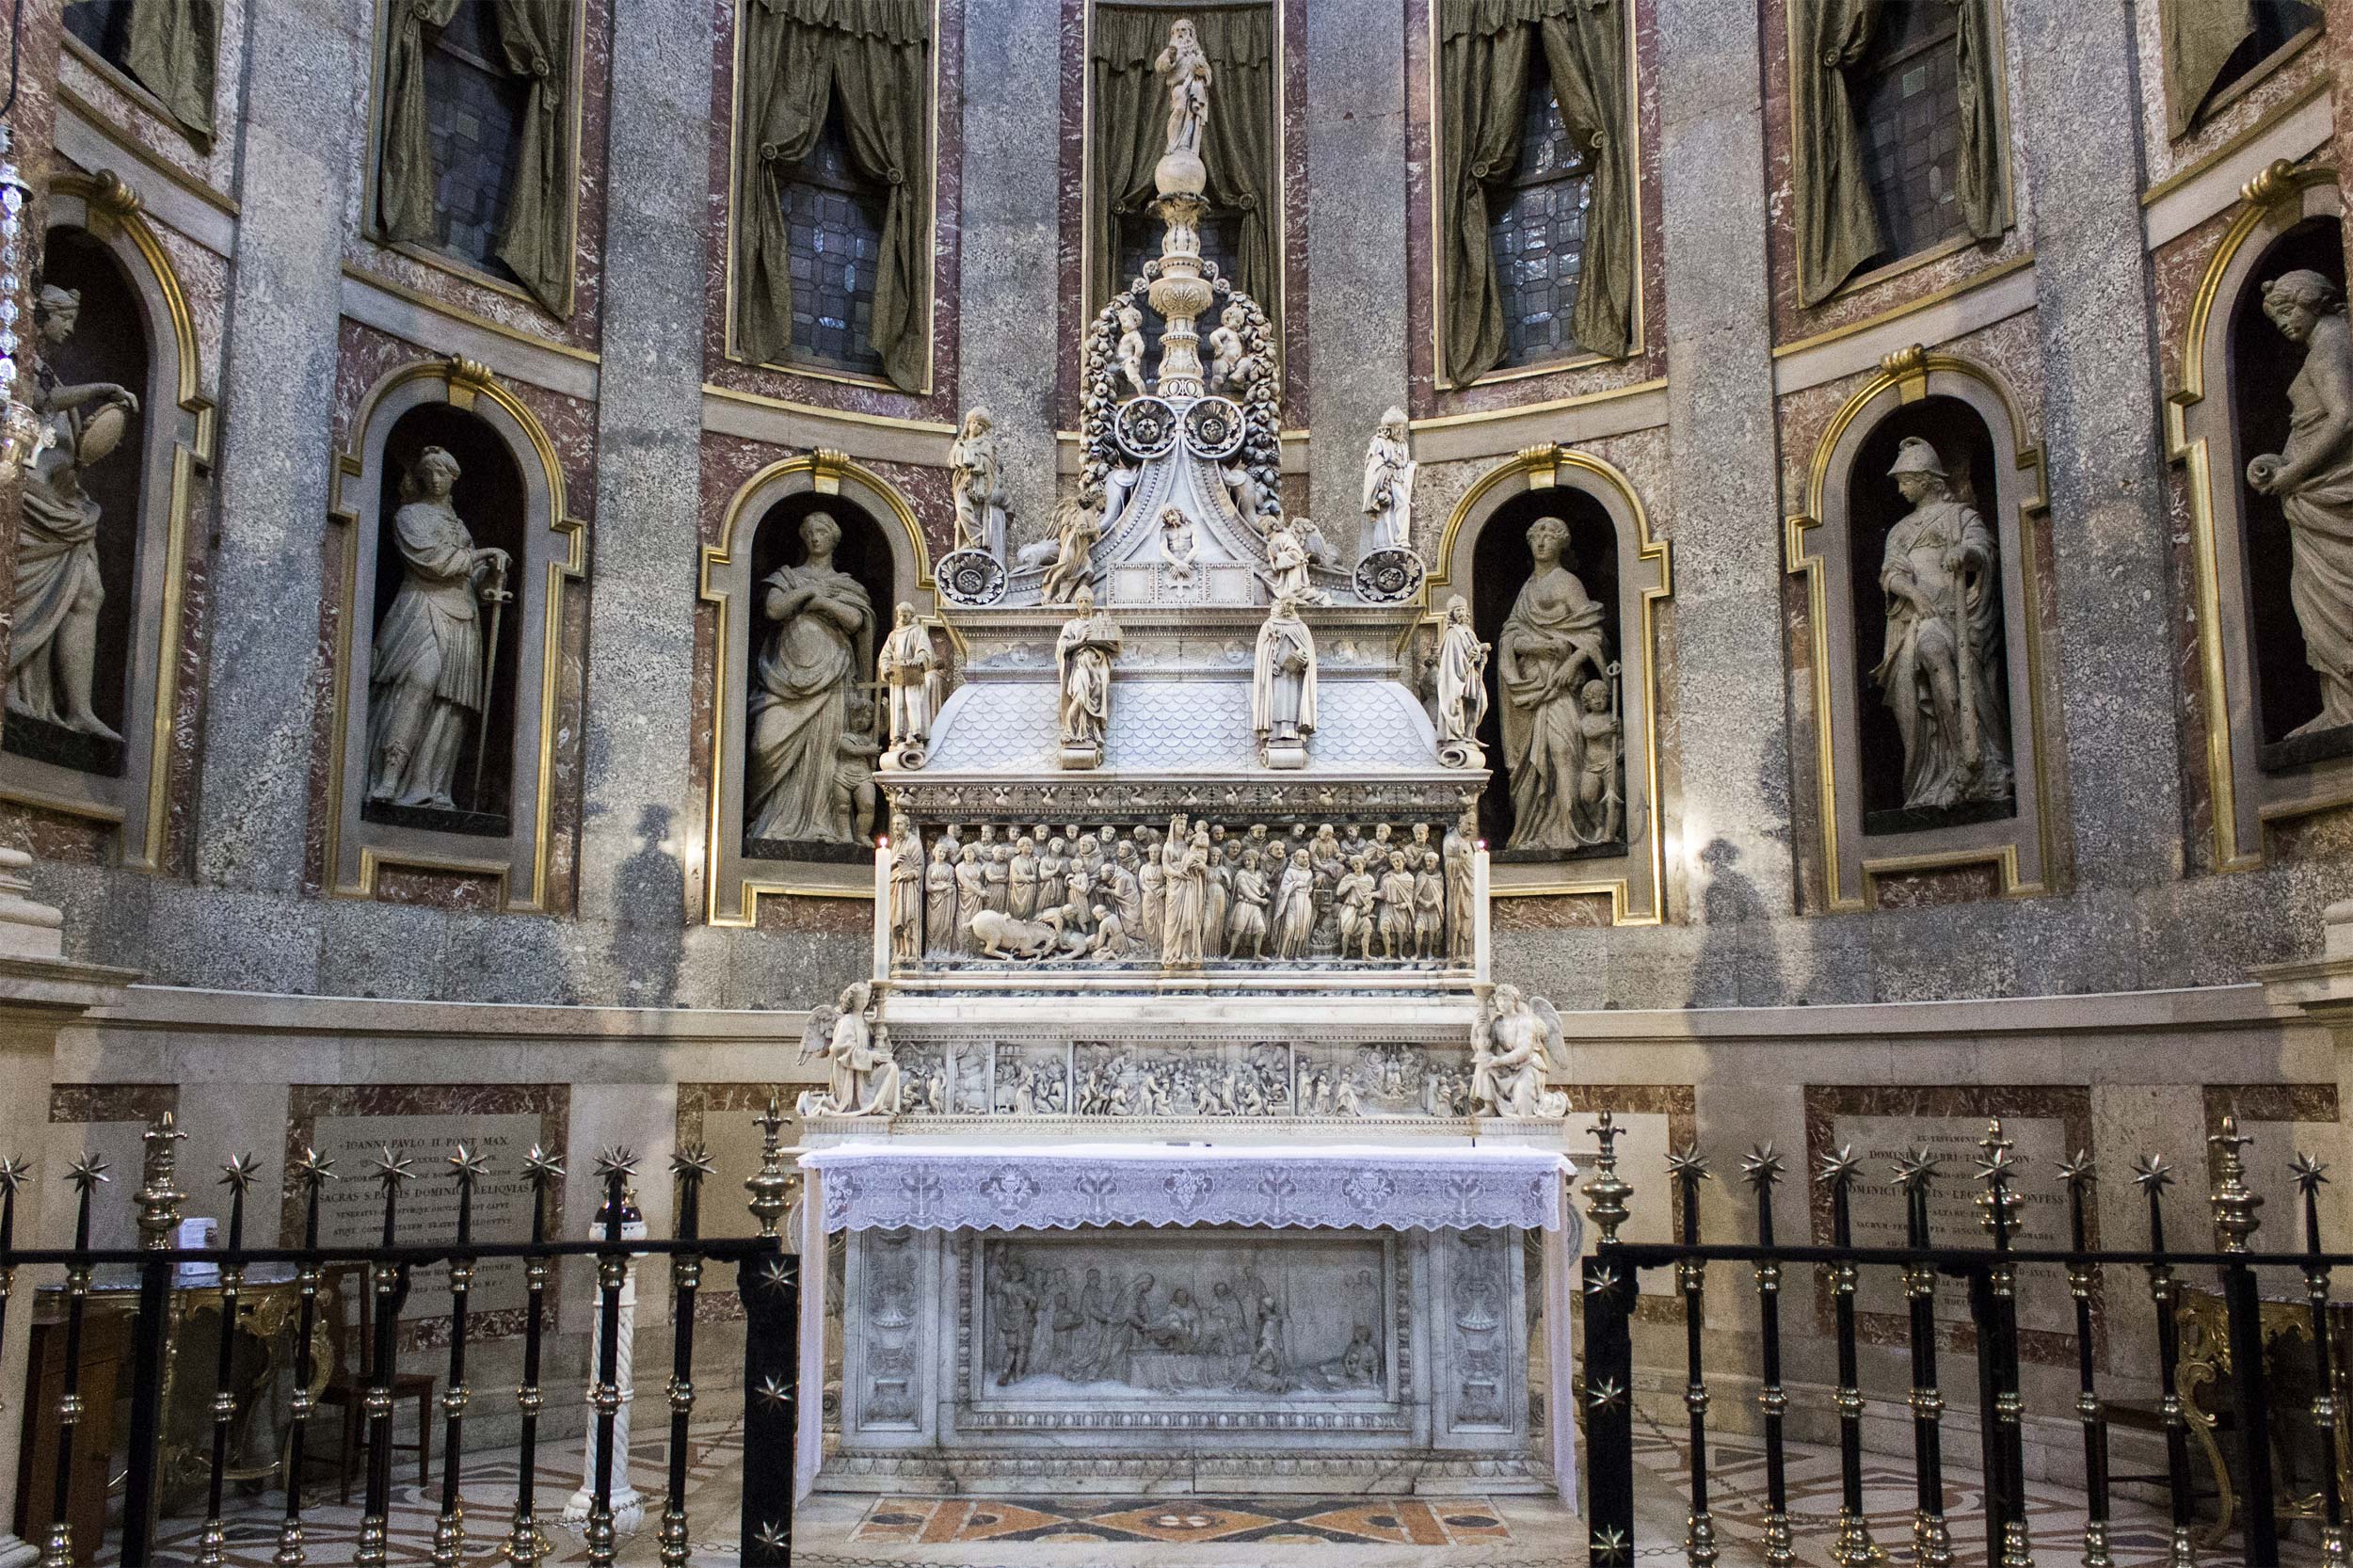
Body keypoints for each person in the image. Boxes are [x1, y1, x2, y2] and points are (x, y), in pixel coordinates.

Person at [9, 284, 138, 742]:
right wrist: (101, 388)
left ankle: (80, 709)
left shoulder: (53, 375)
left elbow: (62, 433)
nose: (69, 327)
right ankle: (9, 684)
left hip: (65, 507)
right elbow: (37, 403)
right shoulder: (19, 360)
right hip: (30, 507)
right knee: (18, 593)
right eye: (63, 318)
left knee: (90, 594)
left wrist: (89, 437)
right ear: (42, 316)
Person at [363, 447, 507, 810]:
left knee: (450, 706)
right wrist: (483, 553)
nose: (436, 479)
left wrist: (491, 576)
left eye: (443, 473)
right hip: (422, 609)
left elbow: (471, 577)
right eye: (430, 473)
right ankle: (388, 778)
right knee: (419, 683)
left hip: (462, 618)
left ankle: (429, 787)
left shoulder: (459, 525)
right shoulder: (409, 517)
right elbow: (435, 562)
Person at [1873, 437, 2011, 810]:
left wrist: (1963, 552)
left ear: (1925, 479)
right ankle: (1947, 770)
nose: (1901, 489)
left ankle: (1975, 759)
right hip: (1919, 619)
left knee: (1940, 650)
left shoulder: (1961, 516)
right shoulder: (1901, 530)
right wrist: (1917, 598)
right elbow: (1891, 575)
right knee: (1929, 651)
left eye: (1905, 481)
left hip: (1958, 617)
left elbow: (1981, 548)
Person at [2251, 267, 2353, 737]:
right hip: (2316, 494)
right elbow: (2316, 422)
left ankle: (2345, 710)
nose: (2284, 324)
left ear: (2314, 300)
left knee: (2331, 598)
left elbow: (2344, 420)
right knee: (2314, 598)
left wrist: (2292, 471)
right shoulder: (2323, 345)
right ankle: (2341, 706)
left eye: (2290, 311)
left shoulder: (2331, 342)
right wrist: (2283, 459)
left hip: (2332, 496)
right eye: (2277, 319)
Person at [746, 511, 875, 842]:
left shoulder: (846, 585)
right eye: (809, 532)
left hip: (833, 677)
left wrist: (820, 601)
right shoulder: (787, 578)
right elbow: (774, 610)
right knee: (764, 747)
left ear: (834, 539)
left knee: (826, 755)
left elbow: (856, 621)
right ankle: (771, 822)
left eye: (822, 532)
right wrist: (806, 594)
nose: (815, 537)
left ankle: (823, 825)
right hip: (783, 678)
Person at [1497, 517, 1612, 849]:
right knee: (1530, 764)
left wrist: (1571, 664)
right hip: (1530, 689)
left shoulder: (1567, 583)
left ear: (1561, 544)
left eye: (1550, 537)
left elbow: (1593, 634)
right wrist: (1541, 646)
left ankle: (1573, 829)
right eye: (1537, 537)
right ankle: (1534, 833)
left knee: (1563, 752)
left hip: (1561, 687)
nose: (1542, 543)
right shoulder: (1528, 589)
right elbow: (1510, 638)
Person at [1056, 585, 1121, 752]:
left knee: (1095, 696)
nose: (1084, 604)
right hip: (1080, 665)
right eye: (1080, 601)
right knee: (1079, 695)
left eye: (1087, 601)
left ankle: (1091, 732)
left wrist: (1100, 640)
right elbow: (1062, 646)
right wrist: (1081, 641)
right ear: (1077, 605)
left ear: (1092, 604)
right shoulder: (1071, 625)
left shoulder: (1098, 623)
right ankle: (1070, 730)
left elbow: (1115, 645)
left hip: (1098, 667)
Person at [876, 602, 941, 763]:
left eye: (905, 614)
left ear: (911, 615)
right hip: (897, 673)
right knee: (898, 705)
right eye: (900, 614)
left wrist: (918, 659)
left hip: (912, 672)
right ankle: (898, 735)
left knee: (913, 702)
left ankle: (915, 732)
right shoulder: (894, 635)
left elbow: (924, 650)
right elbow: (885, 654)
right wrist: (885, 667)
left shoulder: (917, 631)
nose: (902, 617)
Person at [950, 408, 1010, 558]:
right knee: (962, 509)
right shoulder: (960, 443)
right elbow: (953, 459)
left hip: (979, 486)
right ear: (968, 424)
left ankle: (975, 542)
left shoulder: (986, 444)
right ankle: (977, 537)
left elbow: (988, 462)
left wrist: (973, 460)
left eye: (980, 425)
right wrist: (965, 457)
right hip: (963, 483)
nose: (976, 427)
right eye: (974, 423)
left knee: (972, 511)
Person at [1360, 405, 1416, 555]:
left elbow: (1404, 461)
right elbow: (1372, 464)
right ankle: (1396, 539)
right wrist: (1387, 466)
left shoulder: (1403, 444)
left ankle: (1400, 538)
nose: (1400, 431)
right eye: (1397, 428)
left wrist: (1406, 467)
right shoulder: (1379, 442)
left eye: (1401, 428)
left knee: (1403, 504)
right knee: (1396, 507)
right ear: (1389, 428)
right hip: (1387, 480)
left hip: (1399, 480)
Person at [1226, 847, 1270, 958]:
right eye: (1245, 860)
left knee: (1260, 930)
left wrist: (1265, 888)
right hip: (1243, 905)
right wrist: (1261, 900)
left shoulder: (1260, 874)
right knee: (1238, 930)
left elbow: (1264, 888)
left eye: (1249, 860)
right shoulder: (1241, 875)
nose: (1246, 862)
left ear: (1255, 861)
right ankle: (1231, 953)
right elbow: (1247, 892)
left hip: (1255, 907)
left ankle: (1257, 955)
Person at [1335, 853, 1377, 961]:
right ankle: (1343, 954)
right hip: (1350, 907)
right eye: (1353, 865)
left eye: (1357, 863)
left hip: (1363, 908)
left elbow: (1371, 896)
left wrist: (1367, 908)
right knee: (1347, 931)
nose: (1356, 866)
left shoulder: (1369, 879)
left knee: (1368, 929)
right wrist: (1350, 884)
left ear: (1363, 864)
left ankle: (1365, 954)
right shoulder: (1349, 877)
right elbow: (1339, 892)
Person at [1377, 849, 1417, 960]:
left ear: (1404, 861)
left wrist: (1405, 903)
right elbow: (1382, 893)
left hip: (1401, 909)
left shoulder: (1409, 878)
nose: (1396, 863)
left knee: (1400, 933)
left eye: (1398, 861)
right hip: (1388, 907)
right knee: (1384, 928)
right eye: (1393, 861)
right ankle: (1387, 954)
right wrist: (1371, 894)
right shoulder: (1387, 876)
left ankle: (1400, 953)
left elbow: (1410, 896)